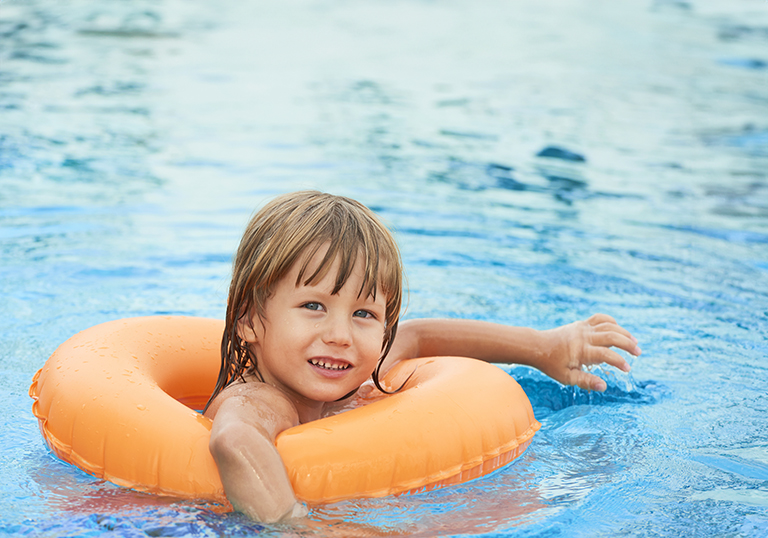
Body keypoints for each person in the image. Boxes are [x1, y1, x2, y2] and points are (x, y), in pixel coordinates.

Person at [203, 190, 641, 523]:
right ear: (248, 321)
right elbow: (235, 440)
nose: (340, 336)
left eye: (363, 313)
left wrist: (545, 348)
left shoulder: (348, 376)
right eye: (313, 306)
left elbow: (416, 336)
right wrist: (296, 527)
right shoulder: (261, 400)